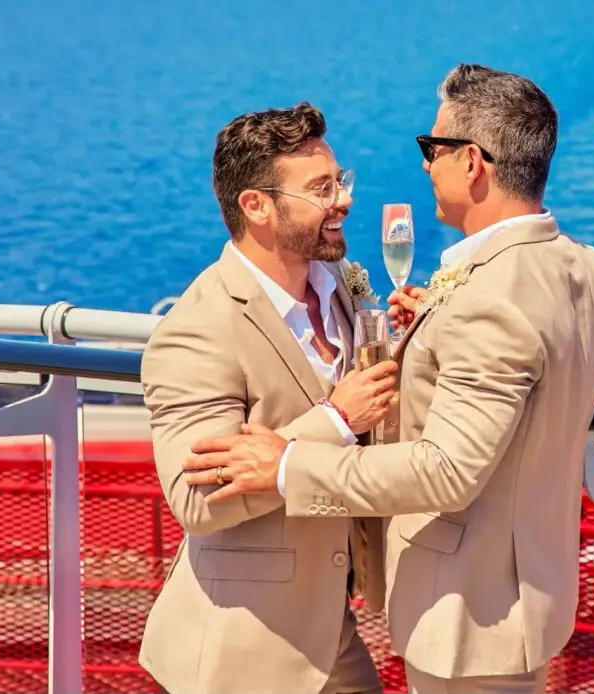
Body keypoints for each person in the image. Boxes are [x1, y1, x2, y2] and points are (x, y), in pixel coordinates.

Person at [182, 64, 594, 694]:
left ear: (472, 163)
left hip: (468, 615)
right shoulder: (591, 270)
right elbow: (536, 385)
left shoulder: (489, 300)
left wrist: (286, 465)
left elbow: (446, 469)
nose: (425, 165)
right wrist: (432, 335)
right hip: (531, 591)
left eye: (432, 148)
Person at [138, 103, 397, 694]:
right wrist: (336, 419)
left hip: (333, 628)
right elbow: (199, 502)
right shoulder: (198, 328)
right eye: (321, 188)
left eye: (341, 181)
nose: (344, 200)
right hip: (243, 653)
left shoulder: (340, 290)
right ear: (256, 206)